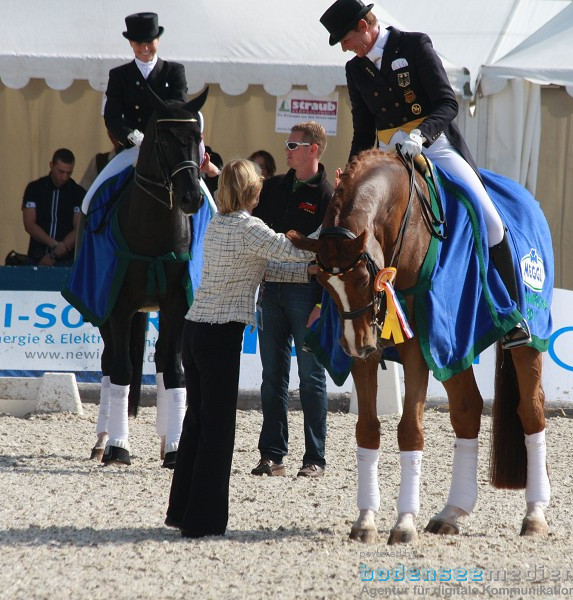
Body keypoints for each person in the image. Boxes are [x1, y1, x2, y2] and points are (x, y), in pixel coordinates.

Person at [319, 0, 530, 348]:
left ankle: (512, 315)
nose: (344, 47)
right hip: (387, 154)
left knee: (490, 220)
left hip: (432, 144)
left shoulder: (414, 44)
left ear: (363, 26)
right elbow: (362, 131)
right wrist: (352, 176)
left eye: (344, 38)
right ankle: (366, 326)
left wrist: (421, 135)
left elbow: (447, 102)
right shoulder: (355, 69)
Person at [165, 159, 316, 538]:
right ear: (253, 191)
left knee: (196, 422)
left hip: (195, 329)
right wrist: (329, 253)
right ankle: (205, 521)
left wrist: (309, 274)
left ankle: (181, 511)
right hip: (220, 336)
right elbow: (293, 252)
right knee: (218, 430)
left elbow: (267, 267)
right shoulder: (252, 228)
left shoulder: (218, 225)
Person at [250, 122, 332, 479]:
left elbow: (331, 253)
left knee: (311, 377)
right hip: (270, 291)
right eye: (287, 143)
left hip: (306, 293)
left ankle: (315, 458)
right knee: (272, 377)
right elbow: (242, 202)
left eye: (293, 144)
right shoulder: (273, 187)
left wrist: (321, 304)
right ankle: (272, 455)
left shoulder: (330, 194)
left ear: (313, 149)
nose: (286, 150)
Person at [82, 12, 193, 213]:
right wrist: (134, 137)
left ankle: (201, 241)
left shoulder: (174, 71)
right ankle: (89, 240)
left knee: (202, 196)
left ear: (158, 39)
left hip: (167, 151)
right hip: (134, 148)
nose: (144, 48)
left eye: (149, 41)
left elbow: (180, 108)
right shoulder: (119, 75)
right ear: (131, 43)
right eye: (138, 42)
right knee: (91, 199)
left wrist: (157, 137)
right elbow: (112, 115)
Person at [21, 148, 84, 266]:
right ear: (51, 165)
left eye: (69, 173)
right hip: (37, 256)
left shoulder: (78, 192)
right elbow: (29, 223)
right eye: (61, 172)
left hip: (67, 259)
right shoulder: (34, 188)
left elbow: (79, 227)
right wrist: (54, 244)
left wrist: (57, 251)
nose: (64, 177)